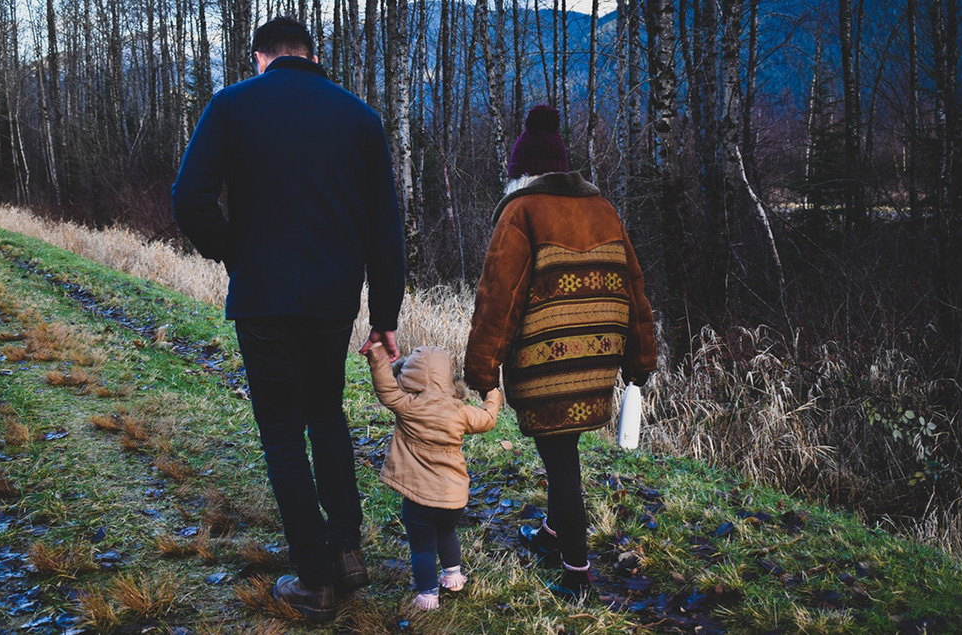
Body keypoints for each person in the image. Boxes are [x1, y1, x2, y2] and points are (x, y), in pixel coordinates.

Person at [170, 17, 405, 623]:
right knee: (326, 414)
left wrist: (231, 249)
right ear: (310, 55)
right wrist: (383, 315)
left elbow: (188, 198)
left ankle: (313, 577)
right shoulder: (360, 118)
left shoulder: (232, 106)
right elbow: (385, 230)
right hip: (332, 301)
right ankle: (347, 550)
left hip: (263, 297)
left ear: (260, 57)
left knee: (280, 430)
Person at [463, 105, 657, 601]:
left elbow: (497, 298)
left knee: (562, 461)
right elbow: (634, 289)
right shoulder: (604, 209)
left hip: (545, 366)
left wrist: (482, 369)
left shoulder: (519, 212)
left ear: (520, 172)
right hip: (598, 361)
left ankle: (576, 571)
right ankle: (552, 535)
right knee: (563, 450)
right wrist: (640, 359)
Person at [363, 342, 502, 610]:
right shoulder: (460, 412)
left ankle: (428, 594)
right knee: (447, 533)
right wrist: (492, 393)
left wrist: (378, 354)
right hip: (454, 497)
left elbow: (384, 387)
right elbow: (488, 419)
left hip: (419, 495)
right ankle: (453, 577)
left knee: (422, 546)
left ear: (410, 375)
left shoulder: (407, 404)